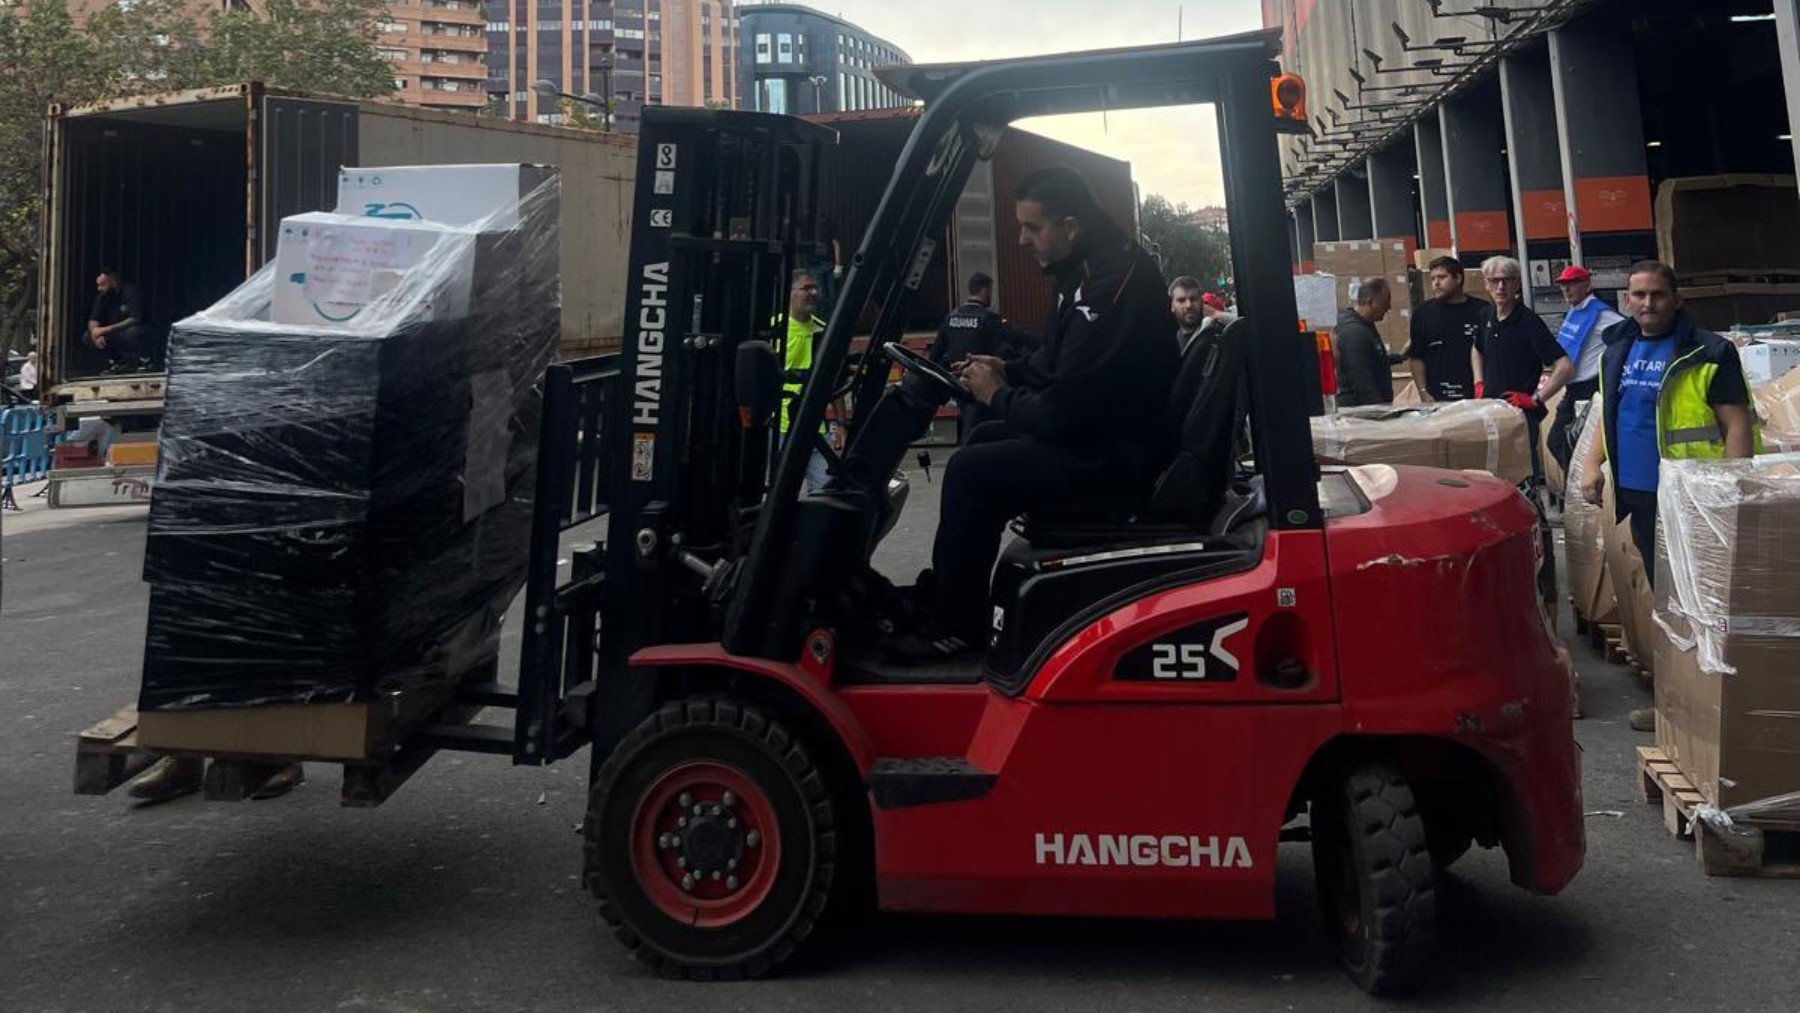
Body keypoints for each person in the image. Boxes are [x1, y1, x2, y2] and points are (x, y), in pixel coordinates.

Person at [884, 167, 1177, 664]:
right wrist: (1007, 369)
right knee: (981, 443)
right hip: (1108, 433)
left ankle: (955, 628)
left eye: (1031, 228)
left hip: (1118, 456)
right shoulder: (1084, 274)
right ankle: (949, 595)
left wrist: (998, 392)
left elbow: (1063, 414)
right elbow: (1057, 366)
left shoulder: (1106, 291)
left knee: (969, 472)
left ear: (1070, 225)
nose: (1021, 239)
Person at [1577, 261, 1757, 733]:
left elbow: (1737, 424)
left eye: (1657, 295)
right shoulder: (1616, 348)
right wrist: (1593, 465)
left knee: (1703, 608)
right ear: (1627, 300)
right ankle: (1677, 706)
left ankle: (1710, 711)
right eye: (1638, 295)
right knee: (1668, 606)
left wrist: (1730, 493)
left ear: (1676, 299)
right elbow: (1608, 410)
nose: (1647, 304)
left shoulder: (1708, 351)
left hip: (1694, 501)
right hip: (1639, 495)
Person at [1475, 255, 1573, 476]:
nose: (1501, 286)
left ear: (1517, 284)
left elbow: (1565, 366)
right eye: (1495, 280)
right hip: (1489, 411)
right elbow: (1476, 348)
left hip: (1518, 416)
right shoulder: (1485, 315)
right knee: (1492, 474)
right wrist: (1478, 382)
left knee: (1521, 475)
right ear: (1486, 284)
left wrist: (1536, 398)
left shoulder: (1528, 322)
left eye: (1507, 280)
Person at [931, 272, 1035, 442]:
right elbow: (1020, 339)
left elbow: (935, 355)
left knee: (969, 426)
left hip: (959, 385)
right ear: (985, 290)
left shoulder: (950, 318)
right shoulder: (989, 319)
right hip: (983, 386)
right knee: (979, 433)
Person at [1547, 265, 1625, 476]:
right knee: (1561, 442)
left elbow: (1627, 332)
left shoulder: (1600, 313)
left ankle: (1580, 485)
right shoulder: (1575, 311)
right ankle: (1577, 483)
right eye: (1563, 285)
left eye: (1571, 284)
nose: (1566, 290)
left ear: (1587, 285)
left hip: (1589, 388)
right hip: (1573, 388)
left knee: (1563, 441)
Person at [778, 269, 832, 492]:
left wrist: (842, 422)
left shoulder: (823, 329)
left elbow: (832, 377)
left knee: (826, 488)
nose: (812, 293)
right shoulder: (775, 329)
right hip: (780, 424)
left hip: (814, 422)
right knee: (780, 490)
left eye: (814, 288)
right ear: (790, 293)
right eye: (806, 288)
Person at [1407, 256, 1484, 402]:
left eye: (1442, 277)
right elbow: (1416, 357)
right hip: (1436, 399)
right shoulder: (1422, 313)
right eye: (1432, 279)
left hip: (1476, 397)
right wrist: (1423, 392)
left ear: (1458, 278)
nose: (1436, 283)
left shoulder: (1482, 311)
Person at [1334, 277, 1405, 408]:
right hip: (1361, 411)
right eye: (1385, 302)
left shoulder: (1365, 325)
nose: (1389, 307)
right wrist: (1381, 412)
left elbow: (1371, 359)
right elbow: (1362, 379)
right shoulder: (1354, 332)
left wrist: (1401, 357)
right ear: (1369, 302)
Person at [87, 267, 151, 374]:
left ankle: (144, 360)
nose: (99, 289)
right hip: (115, 333)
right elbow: (93, 319)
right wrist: (95, 333)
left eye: (102, 285)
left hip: (138, 330)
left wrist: (106, 329)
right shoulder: (102, 297)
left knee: (132, 333)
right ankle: (117, 362)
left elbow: (135, 318)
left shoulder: (130, 291)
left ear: (112, 281)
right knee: (88, 337)